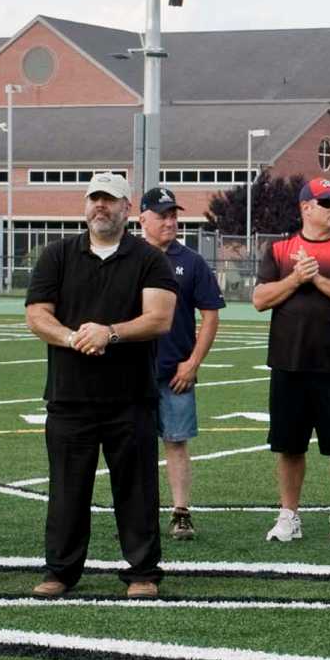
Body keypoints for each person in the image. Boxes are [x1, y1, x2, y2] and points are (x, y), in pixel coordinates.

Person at [24, 173, 177, 598]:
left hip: (131, 399)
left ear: (127, 209)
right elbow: (37, 314)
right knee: (67, 490)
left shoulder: (148, 258)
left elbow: (160, 318)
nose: (101, 207)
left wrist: (109, 332)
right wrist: (73, 337)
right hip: (69, 397)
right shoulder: (57, 255)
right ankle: (60, 572)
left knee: (137, 489)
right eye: (95, 198)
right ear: (85, 204)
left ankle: (143, 573)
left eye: (110, 200)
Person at [253, 178, 330, 545]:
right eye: (326, 202)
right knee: (289, 447)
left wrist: (317, 278)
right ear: (306, 208)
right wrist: (295, 279)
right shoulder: (279, 250)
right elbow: (260, 298)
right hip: (289, 366)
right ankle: (289, 515)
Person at [140, 187, 225, 540]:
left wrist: (192, 362)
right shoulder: (126, 257)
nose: (171, 222)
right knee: (134, 447)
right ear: (142, 218)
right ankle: (138, 516)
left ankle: (181, 513)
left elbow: (210, 316)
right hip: (133, 372)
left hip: (176, 371)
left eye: (174, 215)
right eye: (163, 215)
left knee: (176, 443)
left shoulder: (191, 261)